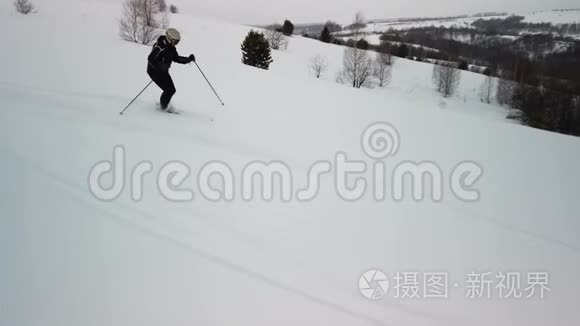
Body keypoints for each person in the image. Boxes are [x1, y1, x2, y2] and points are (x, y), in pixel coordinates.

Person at [147, 28, 195, 111]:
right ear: (169, 39)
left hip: (163, 72)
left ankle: (163, 105)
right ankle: (163, 108)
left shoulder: (171, 48)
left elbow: (176, 58)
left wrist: (188, 59)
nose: (176, 44)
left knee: (171, 90)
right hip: (154, 71)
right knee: (169, 90)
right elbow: (150, 58)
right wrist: (158, 66)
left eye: (177, 42)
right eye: (175, 41)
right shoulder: (159, 46)